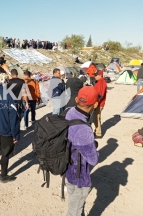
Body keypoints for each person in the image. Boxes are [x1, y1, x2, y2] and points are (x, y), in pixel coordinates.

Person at [65, 86, 99, 216]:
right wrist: (94, 148)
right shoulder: (84, 129)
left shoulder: (69, 112)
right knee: (75, 211)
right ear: (95, 104)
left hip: (67, 169)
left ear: (76, 99)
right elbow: (93, 159)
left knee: (74, 204)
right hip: (80, 176)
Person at [93, 70, 107, 139]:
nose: (95, 76)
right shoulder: (99, 82)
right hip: (98, 102)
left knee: (97, 117)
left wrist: (96, 102)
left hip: (99, 103)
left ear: (100, 75)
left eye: (96, 75)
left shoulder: (101, 82)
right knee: (96, 117)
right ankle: (96, 130)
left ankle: (98, 133)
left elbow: (100, 94)